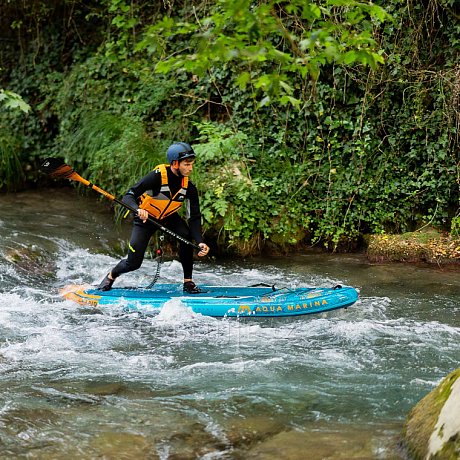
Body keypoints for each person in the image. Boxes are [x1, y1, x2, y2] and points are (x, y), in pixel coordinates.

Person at [97, 142, 209, 293]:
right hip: (146, 219)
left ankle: (188, 281)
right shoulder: (156, 177)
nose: (190, 168)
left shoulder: (189, 187)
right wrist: (137, 210)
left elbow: (194, 217)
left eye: (191, 164)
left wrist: (200, 242)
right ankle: (111, 276)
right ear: (175, 163)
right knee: (133, 263)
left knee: (186, 236)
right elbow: (128, 196)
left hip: (169, 217)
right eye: (187, 164)